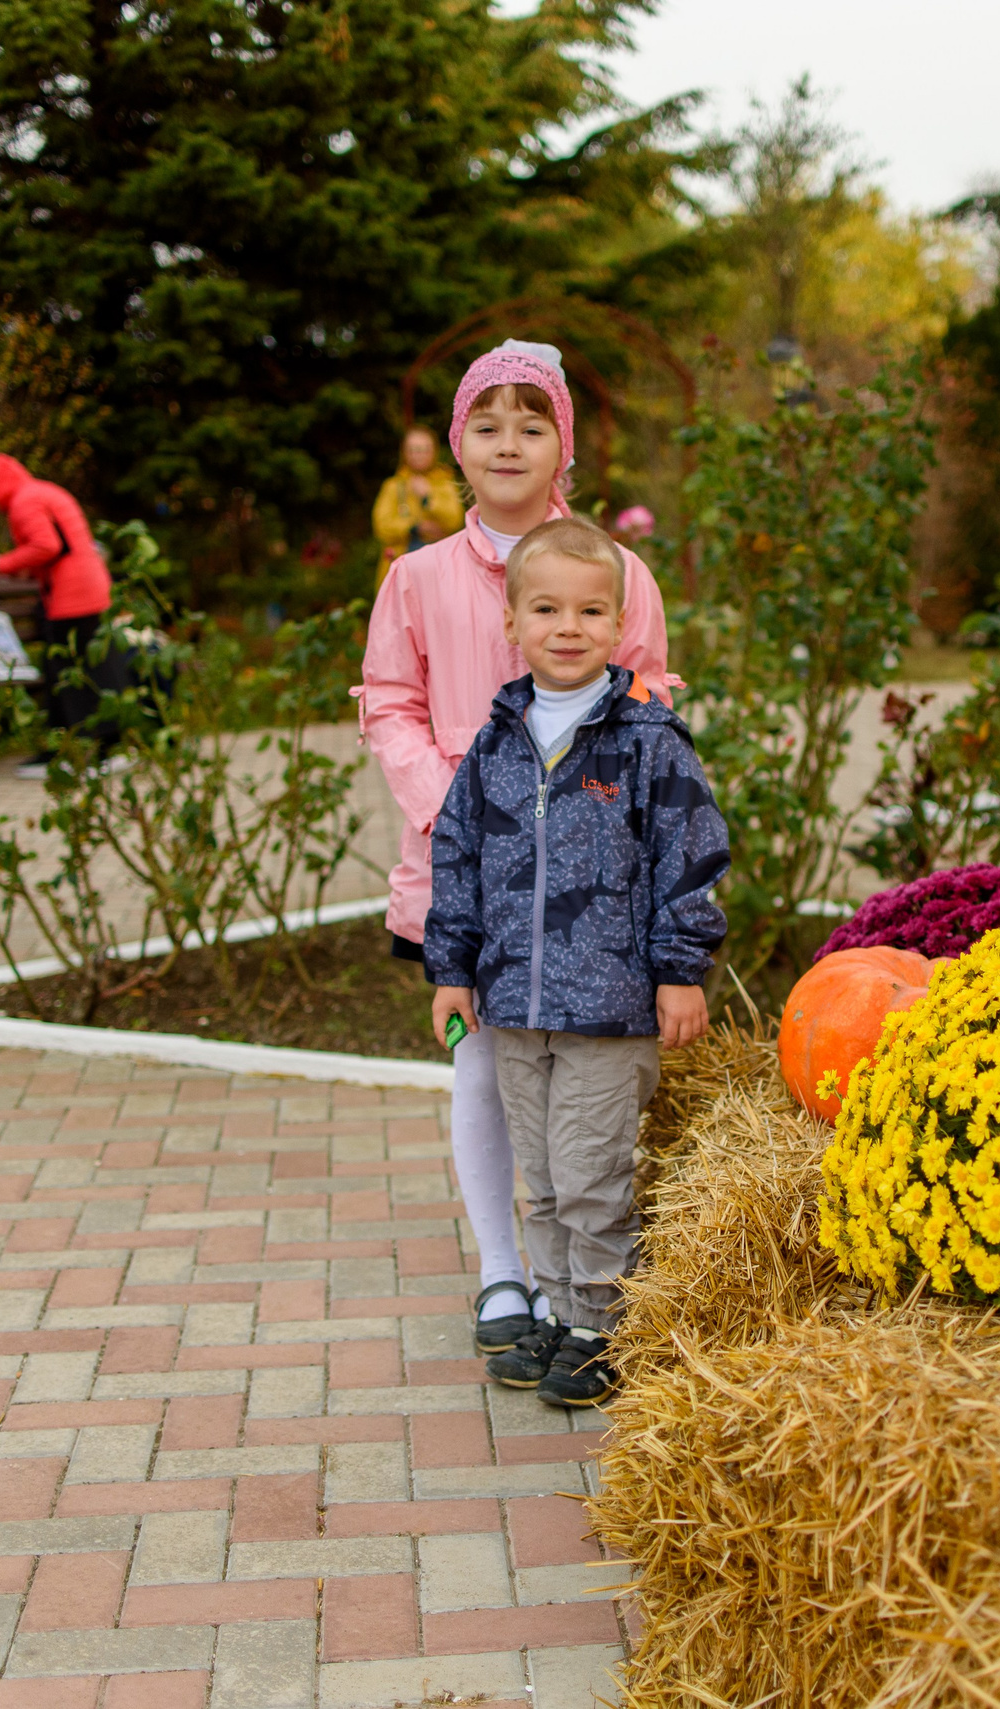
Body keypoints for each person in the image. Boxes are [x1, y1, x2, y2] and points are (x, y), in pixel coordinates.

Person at [357, 340, 677, 1367]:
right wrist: (458, 802)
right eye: (486, 425)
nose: (508, 444)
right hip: (464, 876)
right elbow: (388, 701)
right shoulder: (415, 577)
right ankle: (504, 1267)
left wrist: (580, 800)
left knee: (568, 1077)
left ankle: (571, 1283)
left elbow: (650, 690)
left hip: (584, 882)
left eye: (529, 424)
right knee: (485, 1068)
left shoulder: (614, 572)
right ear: (457, 444)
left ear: (561, 444)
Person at [425, 516, 728, 1409]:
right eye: (547, 608)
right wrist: (454, 966)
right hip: (514, 1002)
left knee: (593, 1174)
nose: (569, 627)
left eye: (591, 610)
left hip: (610, 1009)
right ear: (512, 624)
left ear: (619, 623)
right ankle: (557, 1310)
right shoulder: (494, 744)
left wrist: (680, 970)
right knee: (548, 1176)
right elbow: (458, 859)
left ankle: (604, 1324)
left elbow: (691, 859)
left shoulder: (646, 741)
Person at [0, 453, 121, 779]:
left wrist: (1, 564)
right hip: (87, 590)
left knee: (68, 673)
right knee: (86, 669)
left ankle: (79, 751)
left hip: (72, 597)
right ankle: (92, 747)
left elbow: (46, 545)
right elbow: (62, 546)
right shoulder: (42, 491)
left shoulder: (25, 501)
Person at [371, 424, 464, 585]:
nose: (418, 455)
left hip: (439, 565)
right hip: (402, 564)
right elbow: (382, 527)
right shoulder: (393, 486)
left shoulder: (445, 483)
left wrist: (428, 499)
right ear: (404, 453)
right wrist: (414, 527)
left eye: (424, 450)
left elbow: (455, 520)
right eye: (413, 450)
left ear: (434, 452)